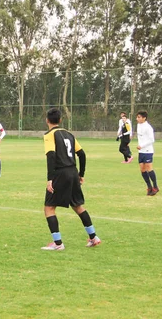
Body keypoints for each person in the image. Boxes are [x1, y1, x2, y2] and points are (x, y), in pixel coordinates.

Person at [41, 107, 101, 251]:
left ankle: (57, 243)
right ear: (61, 120)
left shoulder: (49, 135)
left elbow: (51, 156)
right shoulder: (69, 134)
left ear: (47, 120)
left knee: (49, 208)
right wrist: (81, 174)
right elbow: (82, 154)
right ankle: (93, 237)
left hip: (60, 173)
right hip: (73, 172)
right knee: (78, 206)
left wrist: (50, 179)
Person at [136, 110, 159, 196]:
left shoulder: (148, 127)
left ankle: (155, 186)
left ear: (144, 118)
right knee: (142, 169)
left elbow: (151, 140)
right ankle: (149, 187)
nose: (137, 119)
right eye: (137, 117)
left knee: (149, 167)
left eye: (139, 117)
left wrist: (142, 145)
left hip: (148, 151)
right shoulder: (138, 125)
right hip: (141, 151)